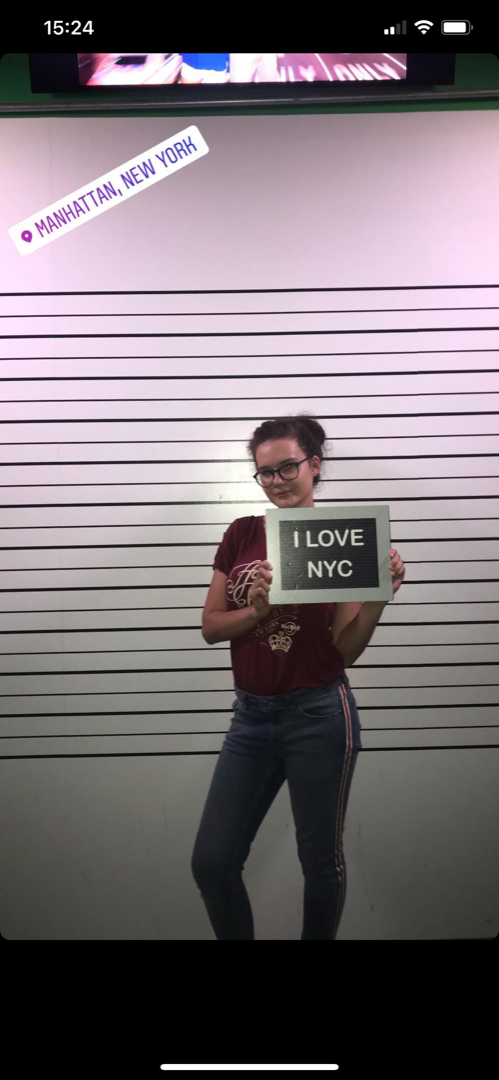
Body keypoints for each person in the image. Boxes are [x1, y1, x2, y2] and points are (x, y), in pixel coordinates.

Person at [190, 411, 369, 940]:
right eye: (265, 472)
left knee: (320, 863)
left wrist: (379, 598)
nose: (276, 481)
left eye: (287, 467)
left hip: (318, 715)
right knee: (212, 863)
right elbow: (210, 627)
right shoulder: (242, 533)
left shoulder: (340, 539)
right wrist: (257, 611)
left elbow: (345, 652)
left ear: (314, 465)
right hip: (250, 718)